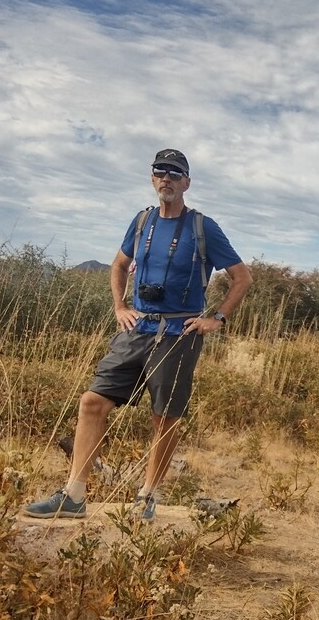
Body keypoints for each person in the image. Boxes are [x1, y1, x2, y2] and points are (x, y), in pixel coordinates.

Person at [24, 148, 252, 522]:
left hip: (179, 332)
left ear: (187, 183)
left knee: (164, 418)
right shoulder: (143, 220)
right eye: (161, 171)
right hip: (138, 326)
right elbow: (119, 264)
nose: (167, 178)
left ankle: (147, 496)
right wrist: (119, 306)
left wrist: (218, 318)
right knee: (91, 402)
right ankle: (74, 495)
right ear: (151, 178)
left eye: (175, 174)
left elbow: (242, 277)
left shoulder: (203, 227)